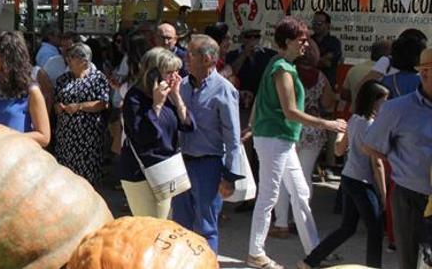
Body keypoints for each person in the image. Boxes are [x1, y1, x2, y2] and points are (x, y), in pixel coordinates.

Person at [246, 17, 347, 269]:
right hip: (275, 138)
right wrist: (329, 124)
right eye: (302, 40)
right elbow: (290, 111)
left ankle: (314, 252)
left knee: (300, 194)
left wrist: (251, 125)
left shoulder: (280, 64)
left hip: (279, 138)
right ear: (288, 41)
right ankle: (255, 252)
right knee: (269, 194)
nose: (306, 44)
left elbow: (267, 102)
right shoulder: (282, 68)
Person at [298, 81, 389, 269]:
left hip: (348, 178)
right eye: (383, 102)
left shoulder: (354, 120)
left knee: (347, 228)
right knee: (375, 230)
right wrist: (384, 193)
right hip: (363, 182)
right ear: (374, 103)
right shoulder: (373, 126)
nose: (385, 106)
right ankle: (374, 266)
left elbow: (339, 151)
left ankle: (310, 261)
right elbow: (377, 163)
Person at [172, 34, 242, 253]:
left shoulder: (224, 90)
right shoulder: (181, 86)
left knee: (206, 228)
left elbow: (233, 139)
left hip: (208, 166)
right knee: (180, 226)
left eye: (190, 54)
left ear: (207, 59)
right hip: (182, 164)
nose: (185, 58)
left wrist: (230, 177)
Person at [363, 47, 432, 269]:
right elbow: (370, 146)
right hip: (411, 197)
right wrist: (403, 163)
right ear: (425, 74)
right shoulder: (397, 109)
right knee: (410, 261)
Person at [270, 39, 339, 239]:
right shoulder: (321, 77)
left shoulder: (288, 72)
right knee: (304, 175)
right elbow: (327, 104)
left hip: (289, 126)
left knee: (284, 176)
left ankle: (281, 223)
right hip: (313, 129)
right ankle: (303, 222)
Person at [120, 47, 193, 219]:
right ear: (153, 74)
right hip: (141, 173)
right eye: (169, 72)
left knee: (166, 224)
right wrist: (157, 106)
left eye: (177, 71)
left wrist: (176, 96)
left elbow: (188, 125)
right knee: (153, 229)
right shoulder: (135, 98)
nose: (175, 77)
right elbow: (144, 136)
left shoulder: (167, 95)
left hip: (166, 170)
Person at [0, 31, 50, 147]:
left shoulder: (32, 92)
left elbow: (44, 137)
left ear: (7, 55)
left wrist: (7, 136)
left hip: (17, 160)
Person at [52, 42, 110, 185]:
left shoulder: (98, 78)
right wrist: (57, 107)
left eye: (71, 57)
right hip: (66, 136)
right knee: (65, 175)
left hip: (88, 137)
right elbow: (55, 101)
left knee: (86, 176)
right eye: (67, 57)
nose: (68, 60)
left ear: (84, 60)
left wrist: (79, 107)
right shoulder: (63, 79)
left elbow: (103, 103)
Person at [311, 11, 342, 88]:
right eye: (314, 22)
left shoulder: (334, 42)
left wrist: (312, 59)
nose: (315, 25)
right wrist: (321, 59)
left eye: (319, 23)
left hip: (328, 85)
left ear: (328, 25)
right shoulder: (308, 41)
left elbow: (327, 63)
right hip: (310, 85)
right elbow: (303, 62)